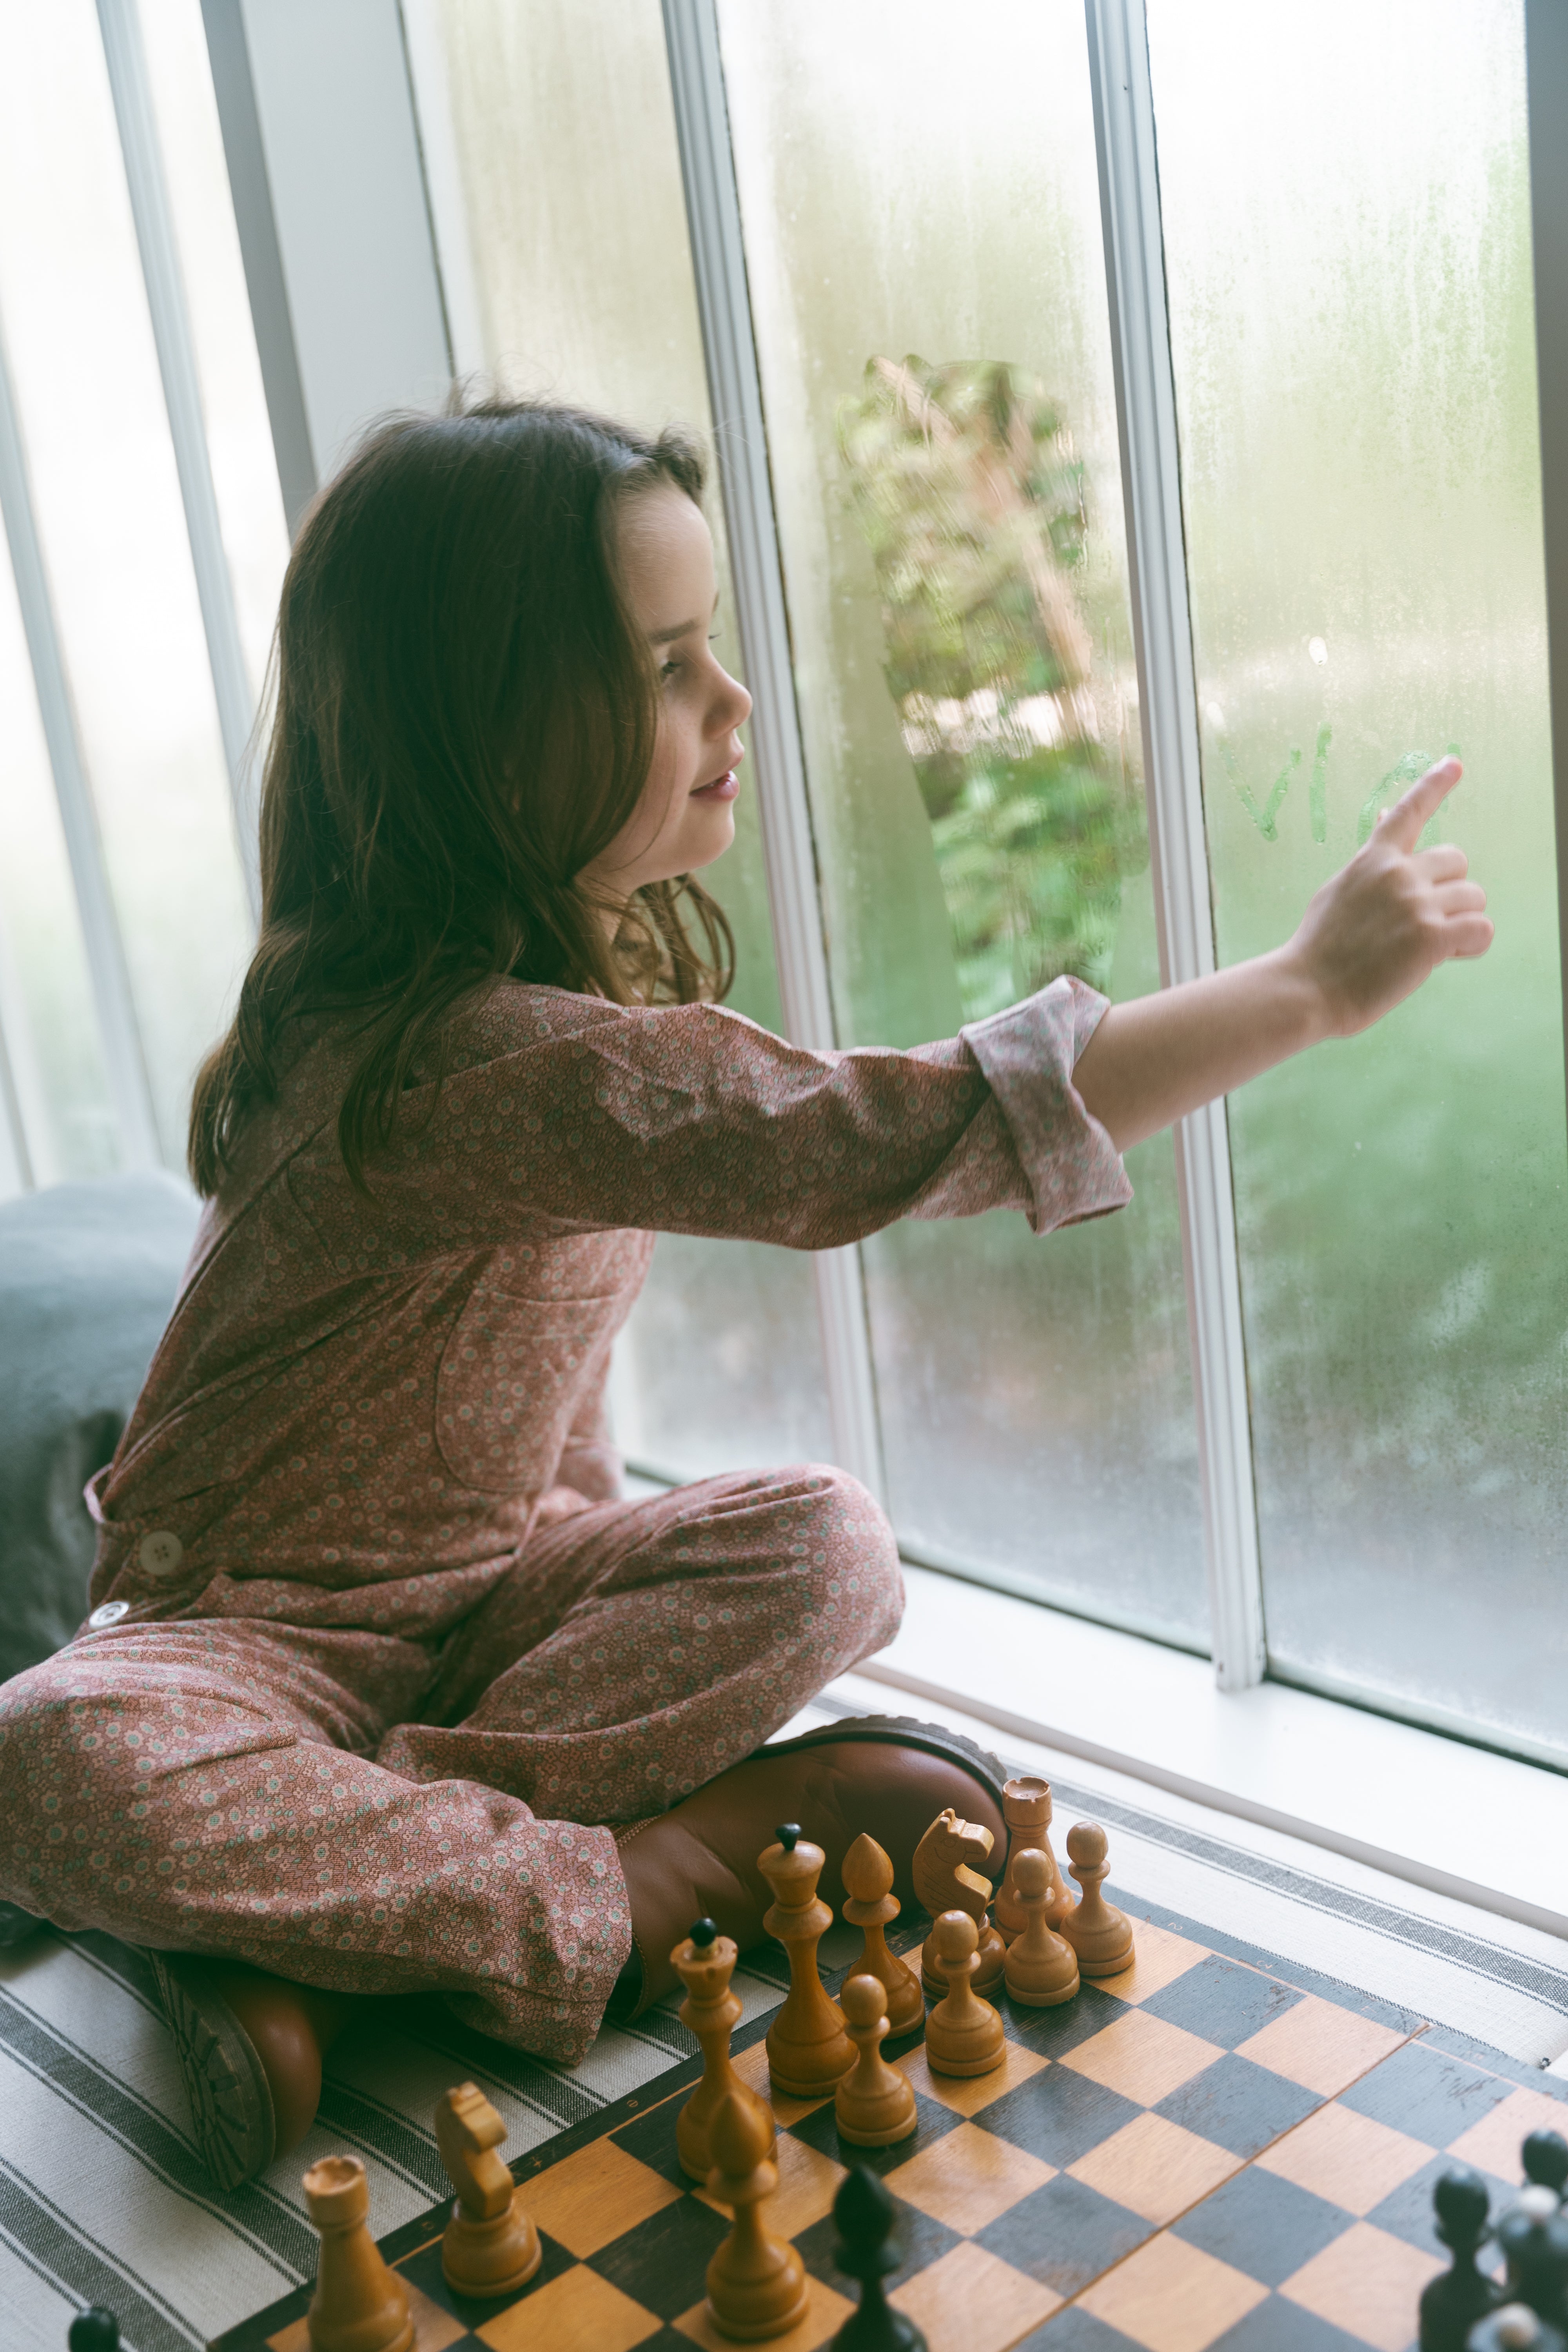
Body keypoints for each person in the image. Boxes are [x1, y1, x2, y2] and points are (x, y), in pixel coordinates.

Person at [0, 397, 1491, 2190]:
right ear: (490, 733)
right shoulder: (457, 1059)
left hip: (471, 1632)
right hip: (240, 1641)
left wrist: (600, 1592)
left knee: (823, 1539)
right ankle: (639, 1879)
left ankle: (349, 1912)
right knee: (47, 1755)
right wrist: (1307, 990)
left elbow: (545, 1429)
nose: (736, 707)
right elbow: (882, 1140)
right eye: (667, 668)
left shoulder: (563, 1010)